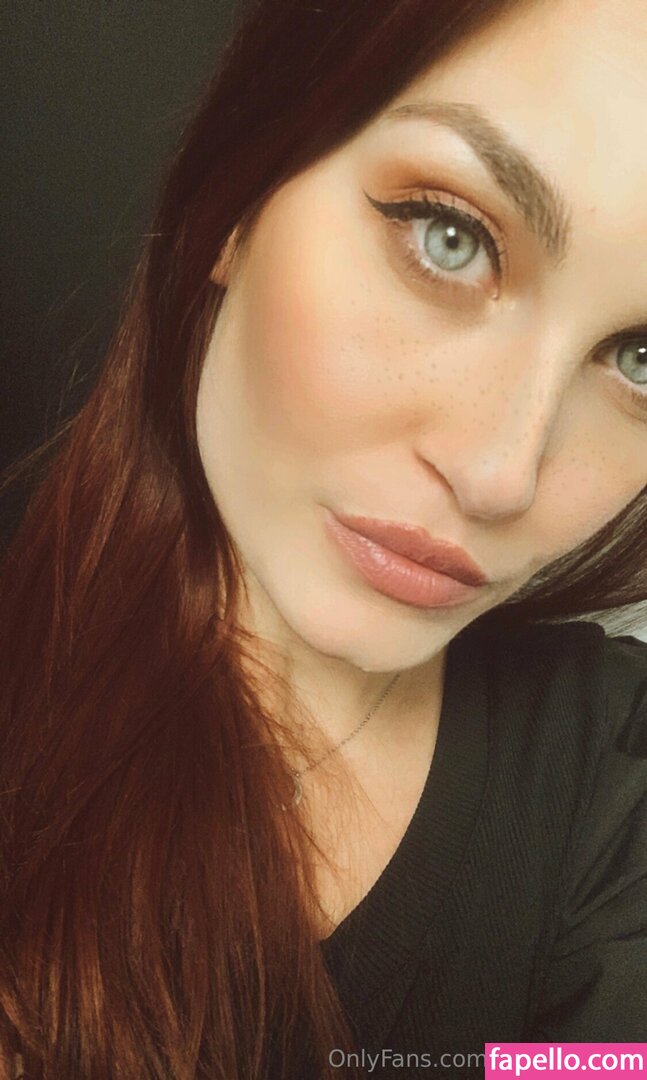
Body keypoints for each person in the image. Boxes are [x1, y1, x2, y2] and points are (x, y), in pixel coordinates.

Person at [1, 0, 647, 1076]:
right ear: (239, 201)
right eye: (449, 237)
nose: (501, 475)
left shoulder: (611, 780)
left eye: (638, 360)